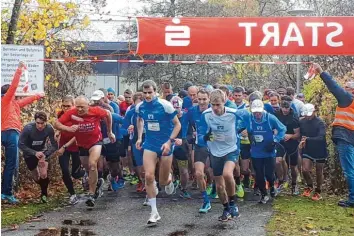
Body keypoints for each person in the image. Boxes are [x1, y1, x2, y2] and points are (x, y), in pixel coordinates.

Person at [55, 96, 115, 208]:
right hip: (82, 145)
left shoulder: (95, 110)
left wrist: (110, 131)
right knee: (88, 169)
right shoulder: (72, 113)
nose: (80, 110)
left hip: (96, 142)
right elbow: (57, 124)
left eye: (82, 107)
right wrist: (68, 129)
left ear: (88, 105)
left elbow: (108, 114)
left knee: (93, 164)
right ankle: (97, 183)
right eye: (77, 107)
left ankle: (91, 195)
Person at [135, 80, 181, 225]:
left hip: (165, 144)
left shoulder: (165, 105)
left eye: (150, 92)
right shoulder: (139, 107)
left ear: (155, 92)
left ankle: (170, 179)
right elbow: (140, 120)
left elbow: (177, 125)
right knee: (148, 176)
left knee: (162, 181)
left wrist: (169, 141)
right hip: (150, 144)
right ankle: (154, 212)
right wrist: (139, 137)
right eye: (145, 92)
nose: (147, 95)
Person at [1, 62, 44, 203]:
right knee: (11, 163)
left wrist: (37, 95)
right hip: (9, 132)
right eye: (14, 95)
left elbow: (25, 101)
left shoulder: (13, 104)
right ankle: (6, 193)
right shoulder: (6, 100)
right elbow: (13, 87)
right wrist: (19, 70)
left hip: (10, 133)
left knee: (12, 164)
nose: (17, 96)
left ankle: (7, 192)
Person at [313, 63, 354, 208]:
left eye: (347, 87)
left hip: (346, 137)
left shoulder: (348, 98)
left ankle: (353, 199)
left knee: (349, 169)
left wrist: (321, 72)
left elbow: (333, 87)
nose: (345, 89)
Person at [198, 89, 241, 221]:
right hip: (215, 152)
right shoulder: (206, 114)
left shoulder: (233, 113)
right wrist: (205, 137)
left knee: (228, 174)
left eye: (218, 105)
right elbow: (200, 134)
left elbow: (248, 120)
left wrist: (242, 130)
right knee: (219, 186)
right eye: (213, 105)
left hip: (231, 149)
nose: (215, 108)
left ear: (224, 102)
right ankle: (226, 208)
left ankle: (233, 204)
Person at [244, 99, 286, 204]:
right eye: (255, 112)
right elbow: (244, 129)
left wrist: (275, 140)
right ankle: (263, 194)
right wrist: (247, 135)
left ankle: (272, 186)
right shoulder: (249, 118)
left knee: (269, 173)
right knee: (258, 174)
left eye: (259, 111)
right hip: (256, 151)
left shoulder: (270, 118)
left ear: (263, 110)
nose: (257, 114)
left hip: (269, 151)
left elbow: (282, 129)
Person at [19, 111, 58, 203]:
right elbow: (20, 144)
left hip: (43, 152)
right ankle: (43, 187)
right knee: (36, 177)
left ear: (46, 122)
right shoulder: (28, 128)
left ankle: (44, 195)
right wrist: (34, 153)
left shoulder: (49, 128)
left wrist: (46, 154)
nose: (40, 126)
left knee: (44, 174)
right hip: (29, 153)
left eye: (42, 123)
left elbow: (55, 145)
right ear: (35, 122)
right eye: (38, 123)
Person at [186, 89, 213, 213]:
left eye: (204, 99)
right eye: (199, 99)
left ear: (209, 99)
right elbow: (184, 126)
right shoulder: (192, 111)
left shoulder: (215, 110)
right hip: (200, 145)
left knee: (212, 172)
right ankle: (205, 200)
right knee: (198, 173)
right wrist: (189, 136)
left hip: (215, 146)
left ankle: (215, 187)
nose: (201, 102)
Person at [56, 96, 84, 205]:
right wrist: (57, 132)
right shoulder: (60, 115)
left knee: (75, 174)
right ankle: (72, 194)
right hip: (63, 146)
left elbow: (77, 135)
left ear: (73, 106)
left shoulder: (77, 116)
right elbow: (59, 126)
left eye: (68, 106)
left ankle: (86, 174)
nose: (65, 108)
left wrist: (65, 146)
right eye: (64, 106)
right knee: (65, 171)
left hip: (75, 146)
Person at [299, 103, 328, 201]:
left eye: (309, 114)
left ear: (314, 112)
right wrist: (301, 141)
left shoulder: (320, 123)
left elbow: (321, 137)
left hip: (320, 149)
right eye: (306, 114)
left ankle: (318, 190)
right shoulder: (302, 122)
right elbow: (300, 134)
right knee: (305, 169)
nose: (307, 116)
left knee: (319, 171)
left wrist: (308, 139)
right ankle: (309, 186)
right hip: (307, 148)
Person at [275, 96, 301, 195]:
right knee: (278, 161)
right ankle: (280, 181)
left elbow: (298, 134)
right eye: (283, 107)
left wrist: (290, 136)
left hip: (292, 142)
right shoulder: (276, 115)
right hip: (280, 141)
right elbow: (273, 127)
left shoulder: (294, 117)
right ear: (280, 106)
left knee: (293, 166)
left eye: (287, 108)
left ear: (290, 107)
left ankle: (294, 185)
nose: (285, 110)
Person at [170, 96, 192, 199]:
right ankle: (172, 182)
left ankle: (183, 189)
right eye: (173, 107)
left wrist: (182, 140)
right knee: (169, 167)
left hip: (182, 147)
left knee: (183, 170)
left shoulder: (186, 117)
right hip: (168, 145)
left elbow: (191, 134)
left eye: (178, 107)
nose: (176, 109)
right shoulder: (167, 117)